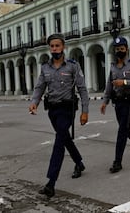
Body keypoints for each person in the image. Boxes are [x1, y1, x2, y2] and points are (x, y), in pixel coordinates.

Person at [29, 33, 89, 198]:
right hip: (53, 111)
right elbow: (40, 87)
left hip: (68, 109)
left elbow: (82, 89)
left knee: (59, 143)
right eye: (52, 46)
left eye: (57, 45)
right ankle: (79, 163)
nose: (54, 48)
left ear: (63, 47)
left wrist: (85, 111)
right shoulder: (45, 67)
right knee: (65, 138)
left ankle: (51, 183)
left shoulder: (72, 66)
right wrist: (35, 102)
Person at [100, 36, 130, 173]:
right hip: (118, 101)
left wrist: (125, 82)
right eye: (117, 49)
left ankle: (117, 162)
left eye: (121, 48)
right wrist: (105, 101)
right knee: (124, 128)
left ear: (126, 49)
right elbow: (109, 84)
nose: (119, 51)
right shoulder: (113, 66)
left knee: (122, 131)